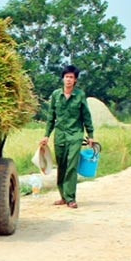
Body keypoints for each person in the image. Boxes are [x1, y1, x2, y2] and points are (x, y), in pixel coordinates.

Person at [40, 65, 95, 209]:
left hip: (75, 134)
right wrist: (46, 135)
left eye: (71, 77)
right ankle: (63, 196)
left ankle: (71, 198)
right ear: (63, 78)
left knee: (72, 165)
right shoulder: (56, 95)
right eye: (66, 77)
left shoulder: (80, 95)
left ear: (75, 80)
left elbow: (86, 116)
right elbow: (51, 117)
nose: (68, 80)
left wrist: (90, 135)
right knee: (62, 165)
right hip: (60, 136)